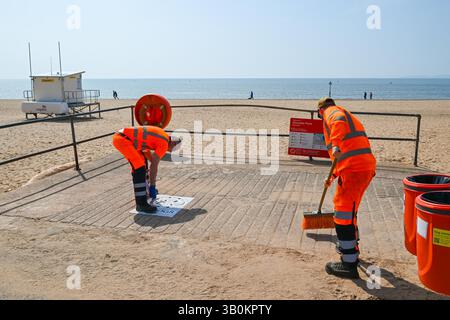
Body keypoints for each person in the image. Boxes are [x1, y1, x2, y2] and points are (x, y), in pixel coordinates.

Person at [317, 97, 377, 279]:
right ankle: (351, 249)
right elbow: (346, 153)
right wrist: (333, 176)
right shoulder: (348, 114)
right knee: (350, 213)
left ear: (320, 111)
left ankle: (349, 264)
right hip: (360, 168)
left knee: (342, 216)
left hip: (354, 171)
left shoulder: (331, 112)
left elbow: (337, 122)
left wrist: (334, 143)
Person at [112, 126, 183, 214]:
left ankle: (145, 193)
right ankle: (141, 204)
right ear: (173, 143)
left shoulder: (162, 136)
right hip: (123, 140)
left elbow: (147, 153)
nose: (170, 151)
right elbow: (154, 166)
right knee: (140, 169)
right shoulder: (164, 144)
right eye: (172, 150)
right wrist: (153, 185)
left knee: (143, 166)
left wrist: (150, 185)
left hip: (123, 137)